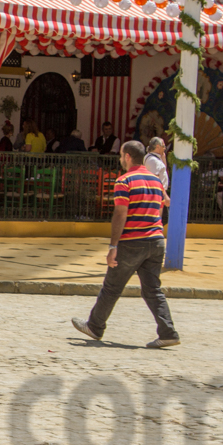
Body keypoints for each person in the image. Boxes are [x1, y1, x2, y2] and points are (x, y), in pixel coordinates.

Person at [72, 140, 179, 348]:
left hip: (132, 242)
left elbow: (121, 214)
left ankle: (95, 326)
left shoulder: (125, 181)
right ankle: (168, 332)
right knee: (153, 289)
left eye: (121, 155)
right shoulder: (156, 181)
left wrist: (113, 247)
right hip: (156, 240)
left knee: (112, 287)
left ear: (127, 157)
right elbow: (159, 211)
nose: (120, 158)